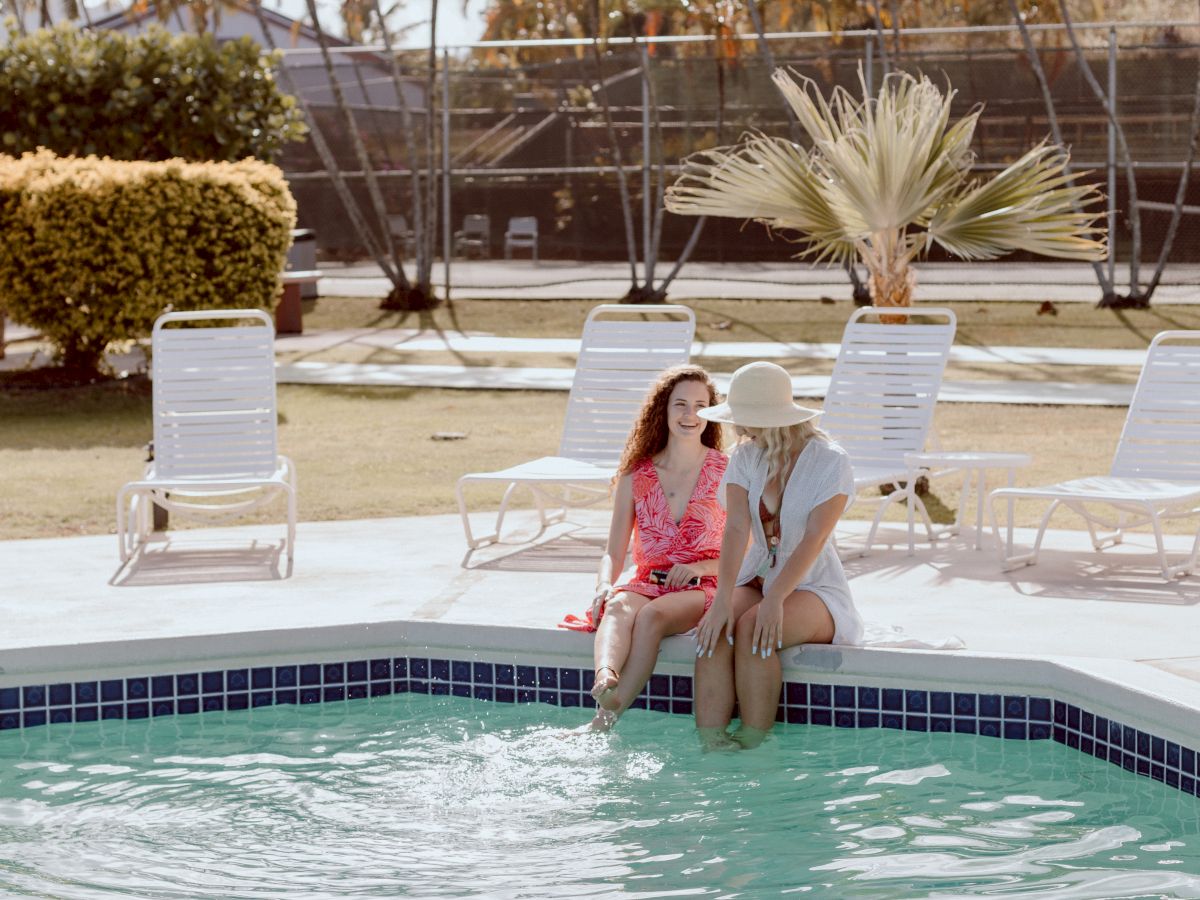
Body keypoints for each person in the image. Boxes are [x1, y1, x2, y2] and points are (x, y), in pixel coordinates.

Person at [693, 361, 863, 749]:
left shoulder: (830, 461)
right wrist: (720, 600)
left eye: (746, 419)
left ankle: (754, 744)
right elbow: (736, 528)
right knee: (714, 629)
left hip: (814, 585)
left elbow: (815, 538)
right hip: (757, 575)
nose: (738, 429)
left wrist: (774, 599)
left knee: (755, 628)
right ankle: (711, 745)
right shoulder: (747, 456)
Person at [586, 364, 727, 731]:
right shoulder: (636, 475)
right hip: (648, 580)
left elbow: (747, 550)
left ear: (711, 412)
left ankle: (605, 720)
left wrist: (700, 568)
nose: (690, 414)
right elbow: (614, 550)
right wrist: (604, 583)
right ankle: (604, 679)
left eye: (700, 405)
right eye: (680, 404)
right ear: (662, 409)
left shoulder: (728, 471)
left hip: (705, 585)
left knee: (652, 616)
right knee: (617, 605)